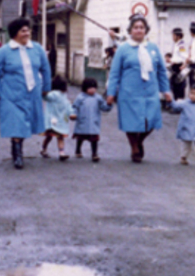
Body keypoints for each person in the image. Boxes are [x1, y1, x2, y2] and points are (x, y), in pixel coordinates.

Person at [106, 13, 171, 163]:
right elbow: (115, 72)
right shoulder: (123, 49)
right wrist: (111, 92)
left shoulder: (153, 48)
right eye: (136, 27)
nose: (139, 30)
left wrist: (166, 90)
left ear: (146, 30)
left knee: (152, 120)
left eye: (142, 27)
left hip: (150, 92)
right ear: (130, 31)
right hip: (128, 92)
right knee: (130, 120)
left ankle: (140, 140)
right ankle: (134, 147)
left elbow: (161, 70)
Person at [0, 17, 52, 169]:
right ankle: (18, 155)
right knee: (16, 123)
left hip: (32, 93)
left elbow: (45, 69)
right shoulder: (4, 51)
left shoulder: (37, 48)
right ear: (15, 33)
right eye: (23, 30)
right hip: (11, 94)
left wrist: (46, 87)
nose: (27, 33)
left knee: (26, 123)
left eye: (28, 30)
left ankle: (16, 146)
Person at [168, 84, 195, 168]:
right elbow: (176, 107)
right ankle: (183, 158)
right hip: (186, 128)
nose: (193, 96)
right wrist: (170, 101)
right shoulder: (185, 103)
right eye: (191, 93)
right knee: (186, 145)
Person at [72, 77, 112, 162]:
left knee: (94, 139)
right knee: (80, 137)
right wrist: (73, 114)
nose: (92, 90)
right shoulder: (80, 97)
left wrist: (109, 104)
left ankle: (94, 154)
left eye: (94, 88)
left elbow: (103, 107)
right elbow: (75, 107)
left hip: (93, 122)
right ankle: (78, 150)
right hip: (82, 121)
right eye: (90, 88)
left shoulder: (98, 98)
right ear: (85, 88)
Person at [41, 75, 76, 161]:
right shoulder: (63, 96)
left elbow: (46, 97)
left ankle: (44, 149)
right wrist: (72, 113)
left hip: (52, 121)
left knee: (49, 137)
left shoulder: (53, 94)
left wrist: (44, 92)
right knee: (60, 137)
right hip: (59, 121)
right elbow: (68, 106)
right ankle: (61, 152)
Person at [169, 27, 188, 108]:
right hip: (175, 66)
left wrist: (183, 65)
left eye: (173, 35)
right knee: (175, 87)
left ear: (178, 36)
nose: (172, 37)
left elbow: (184, 57)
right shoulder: (176, 44)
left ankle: (179, 107)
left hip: (179, 67)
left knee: (180, 88)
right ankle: (176, 106)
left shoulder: (181, 45)